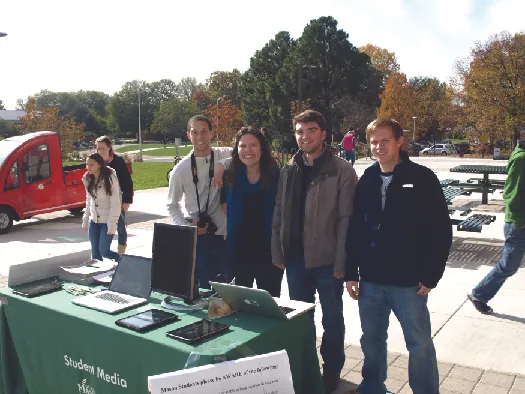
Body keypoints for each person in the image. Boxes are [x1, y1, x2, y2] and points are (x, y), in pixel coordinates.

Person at [345, 118, 452, 394]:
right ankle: (372, 386)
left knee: (419, 344)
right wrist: (350, 272)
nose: (379, 147)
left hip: (409, 282)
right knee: (371, 340)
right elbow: (356, 226)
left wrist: (431, 274)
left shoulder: (422, 178)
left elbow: (440, 230)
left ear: (399, 141)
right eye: (374, 141)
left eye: (385, 140)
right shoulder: (368, 178)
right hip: (371, 279)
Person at [272, 110, 358, 393]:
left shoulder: (341, 170)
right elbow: (279, 213)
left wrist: (342, 261)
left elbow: (347, 219)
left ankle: (331, 370)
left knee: (332, 318)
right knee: (301, 319)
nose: (304, 136)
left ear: (323, 134)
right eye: (299, 131)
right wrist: (278, 252)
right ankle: (306, 366)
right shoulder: (289, 169)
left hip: (328, 260)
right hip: (296, 260)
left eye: (311, 130)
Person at [167, 115, 233, 289]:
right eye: (194, 132)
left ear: (212, 133)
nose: (200, 137)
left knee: (228, 291)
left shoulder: (223, 154)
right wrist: (188, 228)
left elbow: (246, 154)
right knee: (203, 290)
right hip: (200, 237)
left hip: (226, 235)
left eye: (204, 131)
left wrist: (222, 165)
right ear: (188, 135)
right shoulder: (180, 170)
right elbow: (172, 205)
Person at [220, 127, 283, 296]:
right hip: (237, 253)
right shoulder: (229, 177)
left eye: (253, 145)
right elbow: (225, 207)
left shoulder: (276, 176)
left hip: (269, 254)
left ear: (262, 148)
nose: (248, 150)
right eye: (243, 146)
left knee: (270, 306)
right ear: (237, 150)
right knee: (237, 307)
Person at [468, 139, 525, 314]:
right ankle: (479, 294)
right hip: (519, 224)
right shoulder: (522, 159)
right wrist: (519, 220)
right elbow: (511, 193)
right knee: (509, 266)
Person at [95, 136, 134, 255]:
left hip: (118, 199)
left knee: (120, 227)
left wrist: (127, 201)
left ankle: (121, 252)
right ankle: (103, 252)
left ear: (109, 147)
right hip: (102, 201)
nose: (101, 151)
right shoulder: (96, 162)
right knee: (103, 226)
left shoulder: (117, 161)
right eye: (98, 148)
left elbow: (127, 181)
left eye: (103, 148)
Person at [82, 153, 121, 261]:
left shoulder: (110, 177)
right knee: (95, 253)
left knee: (104, 251)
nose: (88, 167)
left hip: (107, 220)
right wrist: (86, 218)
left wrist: (112, 223)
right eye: (87, 164)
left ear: (99, 165)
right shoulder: (87, 178)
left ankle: (122, 261)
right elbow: (89, 199)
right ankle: (97, 274)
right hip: (94, 221)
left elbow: (115, 202)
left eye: (91, 165)